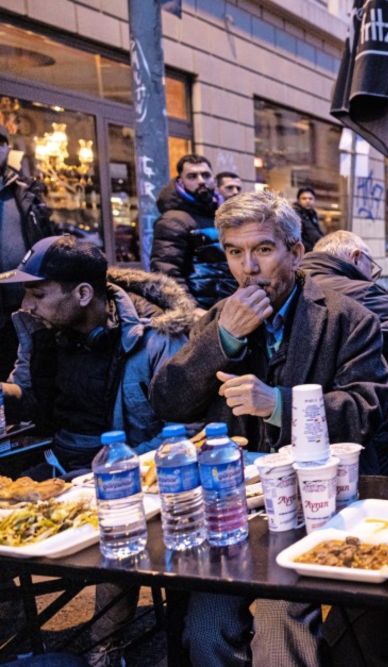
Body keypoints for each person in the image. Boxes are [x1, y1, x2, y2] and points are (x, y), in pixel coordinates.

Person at [150, 190, 388, 667]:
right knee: (206, 627)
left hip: (313, 506)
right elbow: (168, 400)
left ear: (296, 252)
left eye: (262, 249)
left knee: (280, 629)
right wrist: (222, 340)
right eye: (235, 252)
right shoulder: (223, 315)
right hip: (235, 507)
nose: (248, 268)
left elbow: (368, 409)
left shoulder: (348, 317)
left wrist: (278, 404)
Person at [0, 235, 196, 665]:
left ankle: (105, 649)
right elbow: (30, 396)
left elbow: (186, 431)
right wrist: (4, 394)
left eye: (37, 293)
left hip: (128, 471)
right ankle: (12, 638)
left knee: (117, 525)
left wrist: (115, 470)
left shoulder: (158, 335)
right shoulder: (42, 330)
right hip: (57, 470)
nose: (27, 305)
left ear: (84, 293)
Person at [300, 230, 388, 386]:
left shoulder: (296, 284)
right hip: (359, 398)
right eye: (370, 267)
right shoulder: (362, 292)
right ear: (356, 258)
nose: (371, 277)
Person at [150, 154, 237, 309]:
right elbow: (166, 272)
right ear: (180, 182)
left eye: (205, 175)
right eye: (192, 176)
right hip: (200, 311)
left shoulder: (219, 214)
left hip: (227, 306)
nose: (201, 181)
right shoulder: (172, 220)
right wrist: (191, 309)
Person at [0, 126, 53, 379]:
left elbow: (47, 239)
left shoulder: (25, 193)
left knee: (30, 374)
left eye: (1, 143)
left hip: (26, 304)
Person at [292, 187, 325, 251]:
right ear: (298, 200)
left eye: (310, 198)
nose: (307, 201)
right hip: (304, 253)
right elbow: (295, 238)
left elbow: (317, 233)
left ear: (314, 200)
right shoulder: (295, 215)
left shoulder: (313, 214)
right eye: (304, 198)